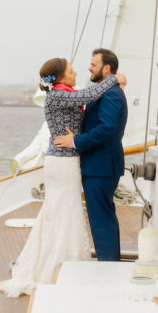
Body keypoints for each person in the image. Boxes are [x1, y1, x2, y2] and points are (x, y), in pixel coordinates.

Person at [0, 56, 124, 297]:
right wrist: (114, 79)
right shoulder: (57, 95)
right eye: (71, 70)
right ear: (60, 77)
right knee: (65, 209)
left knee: (61, 209)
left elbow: (87, 94)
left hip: (67, 159)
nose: (77, 72)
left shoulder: (63, 92)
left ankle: (59, 259)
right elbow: (86, 96)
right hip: (62, 161)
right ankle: (58, 264)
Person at [55, 48, 128, 262]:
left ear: (107, 69)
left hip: (101, 167)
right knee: (101, 218)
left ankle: (108, 266)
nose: (89, 67)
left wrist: (75, 141)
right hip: (98, 165)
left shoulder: (112, 93)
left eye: (94, 64)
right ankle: (109, 262)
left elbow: (107, 128)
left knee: (101, 219)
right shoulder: (103, 90)